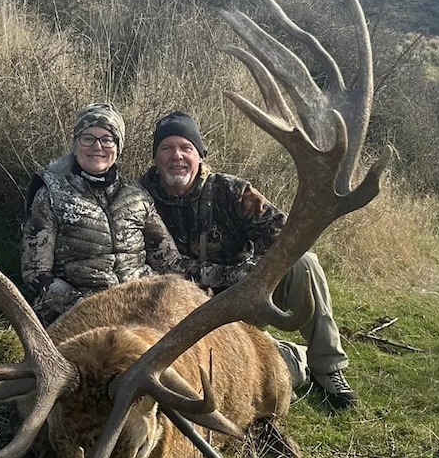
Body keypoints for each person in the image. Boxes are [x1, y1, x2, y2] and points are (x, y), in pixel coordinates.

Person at [140, 111, 359, 410]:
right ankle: (290, 358)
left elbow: (285, 239)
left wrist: (255, 273)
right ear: (155, 157)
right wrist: (237, 273)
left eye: (185, 148)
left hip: (240, 301)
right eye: (166, 148)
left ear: (200, 155)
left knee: (303, 263)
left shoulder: (231, 191)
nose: (176, 156)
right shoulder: (142, 198)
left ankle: (328, 367)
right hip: (181, 310)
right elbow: (166, 265)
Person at [21, 103, 193, 325]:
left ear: (118, 146)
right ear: (76, 144)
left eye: (107, 139)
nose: (97, 146)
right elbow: (35, 274)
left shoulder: (137, 196)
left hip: (142, 313)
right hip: (78, 317)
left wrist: (231, 275)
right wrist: (88, 306)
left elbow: (170, 263)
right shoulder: (50, 194)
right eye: (88, 138)